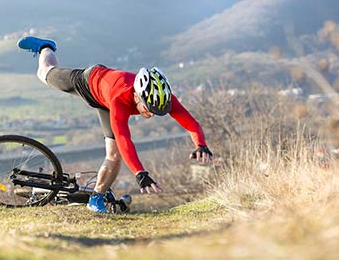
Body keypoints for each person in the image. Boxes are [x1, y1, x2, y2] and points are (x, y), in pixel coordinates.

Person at [17, 36, 213, 213]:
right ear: (137, 95)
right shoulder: (121, 100)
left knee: (113, 156)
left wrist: (201, 144)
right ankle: (45, 46)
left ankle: (96, 198)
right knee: (45, 73)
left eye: (156, 111)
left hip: (106, 97)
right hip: (89, 82)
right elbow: (123, 138)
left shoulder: (161, 97)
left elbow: (190, 122)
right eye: (148, 108)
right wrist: (140, 173)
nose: (151, 114)